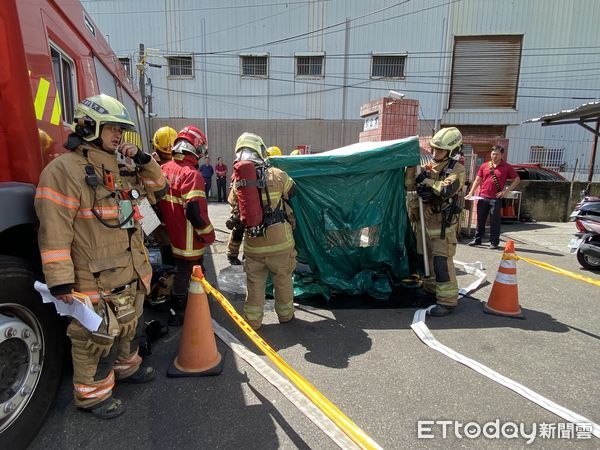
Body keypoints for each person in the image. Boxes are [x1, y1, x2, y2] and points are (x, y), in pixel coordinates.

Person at [35, 94, 168, 419]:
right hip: (91, 278)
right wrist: (61, 282)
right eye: (111, 128)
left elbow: (159, 187)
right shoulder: (64, 171)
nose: (118, 136)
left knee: (130, 326)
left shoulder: (121, 169)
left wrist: (141, 158)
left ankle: (128, 367)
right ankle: (92, 396)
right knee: (96, 339)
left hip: (130, 271)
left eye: (120, 130)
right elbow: (54, 231)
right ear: (88, 126)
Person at [229, 132, 297, 330]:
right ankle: (285, 316)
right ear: (261, 151)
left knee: (255, 284)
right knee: (283, 280)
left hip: (254, 245)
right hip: (281, 244)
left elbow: (234, 209)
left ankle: (253, 321)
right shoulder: (277, 174)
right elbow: (294, 192)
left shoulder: (237, 182)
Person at [159, 126, 215, 325]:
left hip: (172, 234)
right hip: (189, 238)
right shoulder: (192, 174)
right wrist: (209, 234)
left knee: (183, 270)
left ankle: (188, 303)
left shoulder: (164, 169)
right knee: (186, 271)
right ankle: (180, 311)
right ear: (196, 148)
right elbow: (194, 211)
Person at [408, 127, 466, 317]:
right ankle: (431, 289)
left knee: (442, 262)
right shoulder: (430, 167)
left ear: (452, 151)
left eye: (440, 150)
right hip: (424, 223)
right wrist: (411, 167)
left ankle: (447, 301)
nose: (435, 153)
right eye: (434, 149)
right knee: (425, 259)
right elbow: (409, 185)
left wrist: (427, 184)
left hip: (442, 226)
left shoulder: (457, 169)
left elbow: (446, 190)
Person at [466, 145, 520, 249]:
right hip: (482, 197)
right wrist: (471, 192)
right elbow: (477, 180)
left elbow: (517, 179)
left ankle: (494, 242)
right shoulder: (484, 165)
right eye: (493, 153)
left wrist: (506, 191)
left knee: (495, 221)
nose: (494, 156)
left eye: (497, 154)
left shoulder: (507, 167)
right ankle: (477, 239)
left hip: (496, 198)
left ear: (501, 155)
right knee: (480, 220)